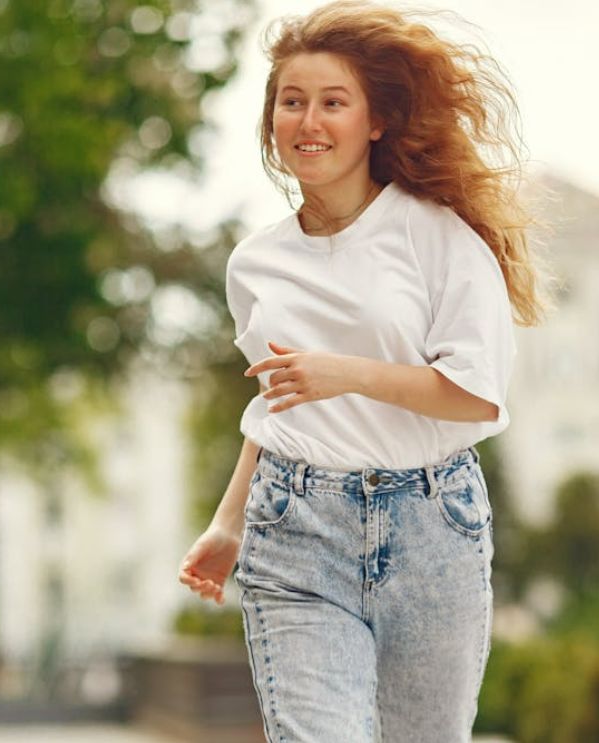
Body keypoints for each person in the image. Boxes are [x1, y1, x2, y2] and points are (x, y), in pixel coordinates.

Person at [178, 1, 550, 741]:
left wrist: (346, 373)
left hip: (432, 527)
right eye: (290, 102)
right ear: (270, 120)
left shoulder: (438, 237)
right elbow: (279, 403)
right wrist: (228, 524)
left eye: (331, 102)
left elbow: (476, 396)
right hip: (295, 526)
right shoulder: (257, 264)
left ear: (374, 120)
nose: (307, 120)